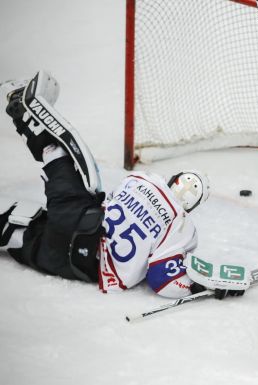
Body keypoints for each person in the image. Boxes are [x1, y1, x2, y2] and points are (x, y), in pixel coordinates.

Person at [0, 71, 244, 299]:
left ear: (173, 180)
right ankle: (13, 235)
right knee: (27, 240)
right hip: (76, 264)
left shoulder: (142, 179)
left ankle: (27, 117)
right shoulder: (182, 227)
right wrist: (196, 286)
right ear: (191, 208)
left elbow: (112, 201)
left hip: (79, 216)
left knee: (58, 159)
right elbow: (162, 280)